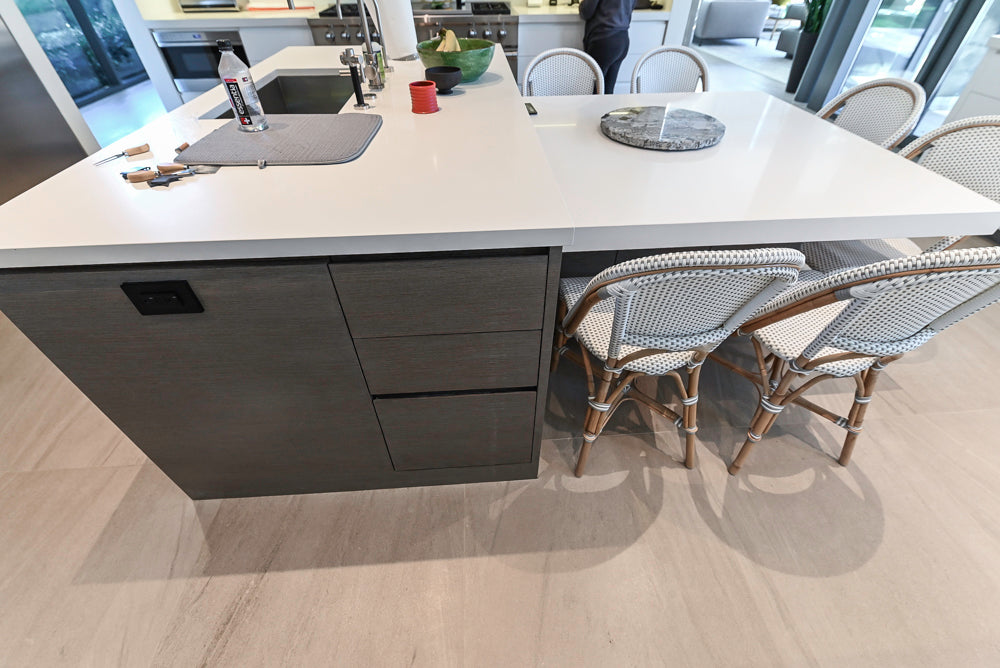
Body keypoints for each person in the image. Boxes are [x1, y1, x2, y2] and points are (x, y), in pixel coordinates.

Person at [579, 0, 637, 94]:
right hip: (622, 38)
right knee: (608, 90)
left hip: (604, 39)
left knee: (594, 90)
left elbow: (586, 11)